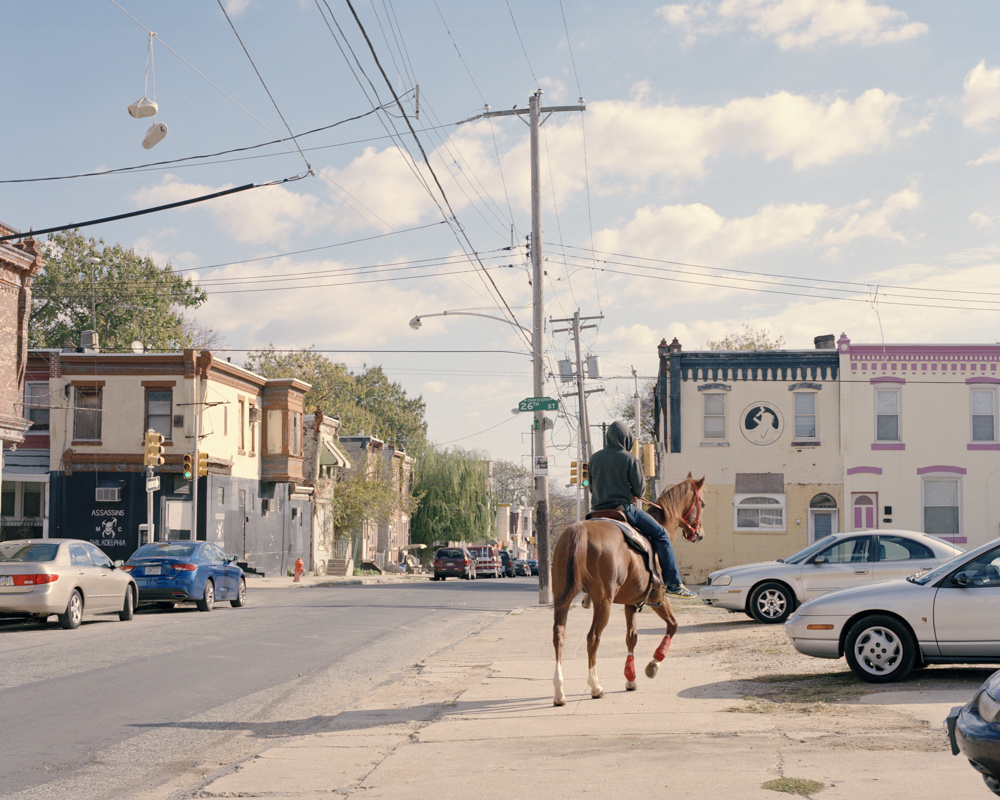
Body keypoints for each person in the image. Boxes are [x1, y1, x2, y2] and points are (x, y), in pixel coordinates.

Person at [587, 420, 696, 599]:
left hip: (596, 512)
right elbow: (640, 491)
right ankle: (674, 584)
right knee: (661, 534)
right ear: (626, 439)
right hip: (623, 510)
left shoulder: (594, 458)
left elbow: (591, 487)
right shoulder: (629, 458)